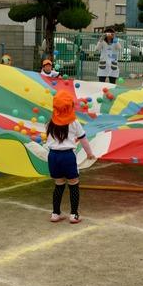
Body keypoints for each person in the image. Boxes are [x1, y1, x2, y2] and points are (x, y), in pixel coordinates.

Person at [45, 90, 96, 223]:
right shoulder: (74, 122)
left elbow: (48, 140)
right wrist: (89, 154)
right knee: (73, 185)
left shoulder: (50, 122)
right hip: (67, 156)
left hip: (53, 156)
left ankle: (55, 213)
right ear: (70, 106)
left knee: (59, 185)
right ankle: (74, 215)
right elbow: (83, 139)